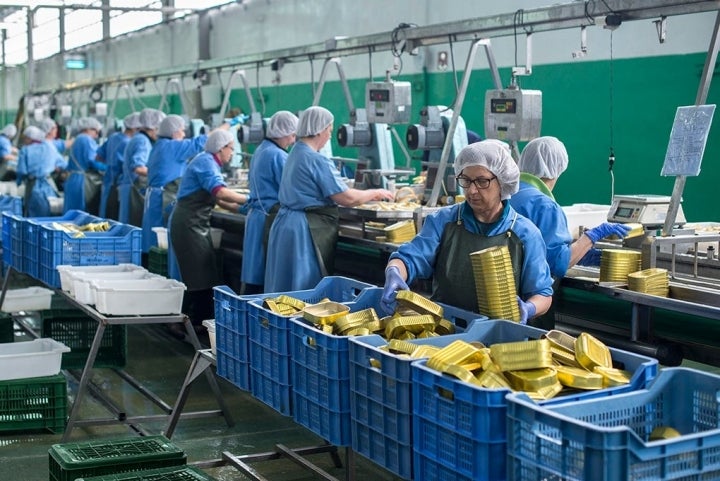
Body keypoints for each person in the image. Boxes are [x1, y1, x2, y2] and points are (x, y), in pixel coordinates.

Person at [381, 139, 554, 325]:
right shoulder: (444, 221)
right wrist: (394, 271)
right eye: (466, 180)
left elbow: (542, 294)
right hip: (446, 330)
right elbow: (410, 258)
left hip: (498, 336)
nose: (471, 190)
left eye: (481, 181)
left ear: (502, 182)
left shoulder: (526, 234)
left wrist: (529, 308)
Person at [264, 106, 394, 293]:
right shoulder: (316, 159)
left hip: (285, 225)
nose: (329, 137)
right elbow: (346, 198)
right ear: (319, 130)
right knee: (303, 290)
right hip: (304, 230)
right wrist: (375, 193)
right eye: (329, 131)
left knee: (284, 286)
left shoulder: (295, 152)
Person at [510, 136, 631, 279]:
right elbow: (556, 263)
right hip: (528, 292)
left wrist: (580, 253)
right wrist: (593, 236)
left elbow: (536, 251)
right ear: (559, 167)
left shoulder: (510, 193)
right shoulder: (544, 206)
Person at [169, 130, 247, 336]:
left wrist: (240, 209)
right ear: (221, 149)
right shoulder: (206, 162)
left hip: (194, 221)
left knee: (202, 271)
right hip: (189, 223)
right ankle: (180, 321)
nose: (232, 153)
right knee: (196, 271)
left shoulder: (207, 161)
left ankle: (196, 321)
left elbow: (218, 199)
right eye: (231, 149)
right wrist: (249, 200)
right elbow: (220, 192)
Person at [141, 114, 235, 253]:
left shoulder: (159, 145)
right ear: (174, 132)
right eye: (182, 130)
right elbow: (204, 141)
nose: (184, 134)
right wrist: (229, 124)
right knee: (162, 243)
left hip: (155, 197)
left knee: (155, 242)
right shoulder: (173, 147)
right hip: (164, 198)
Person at [241, 111, 299, 295]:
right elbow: (292, 190)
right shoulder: (278, 156)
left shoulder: (262, 149)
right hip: (268, 220)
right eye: (292, 135)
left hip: (257, 216)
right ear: (285, 132)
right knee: (264, 274)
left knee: (254, 273)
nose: (293, 140)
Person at [119, 108, 165, 226]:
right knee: (133, 226)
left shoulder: (137, 138)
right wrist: (160, 174)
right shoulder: (143, 141)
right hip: (134, 189)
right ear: (154, 127)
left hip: (129, 188)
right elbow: (138, 167)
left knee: (127, 226)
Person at [97, 112, 140, 220]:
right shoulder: (129, 142)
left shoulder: (113, 137)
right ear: (135, 128)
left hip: (108, 181)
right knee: (116, 216)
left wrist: (109, 164)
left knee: (105, 216)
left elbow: (98, 156)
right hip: (119, 183)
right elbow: (133, 166)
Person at [15, 126, 65, 217]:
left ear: (30, 138)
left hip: (33, 186)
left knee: (33, 216)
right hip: (49, 186)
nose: (24, 141)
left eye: (25, 138)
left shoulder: (25, 150)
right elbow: (62, 164)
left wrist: (18, 182)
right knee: (49, 215)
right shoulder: (50, 147)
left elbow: (22, 171)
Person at [64, 117, 104, 215]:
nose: (96, 136)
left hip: (72, 180)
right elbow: (92, 161)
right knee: (81, 215)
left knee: (70, 214)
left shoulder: (77, 139)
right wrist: (108, 168)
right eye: (96, 132)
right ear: (88, 129)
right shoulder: (86, 139)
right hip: (81, 182)